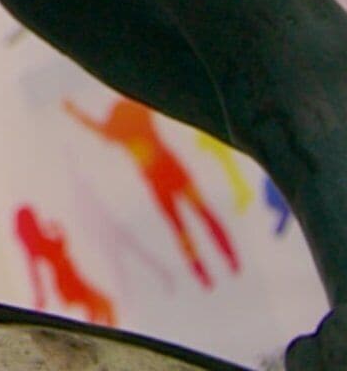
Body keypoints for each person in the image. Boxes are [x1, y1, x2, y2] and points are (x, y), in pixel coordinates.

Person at [64, 95, 240, 287]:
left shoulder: (119, 125)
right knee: (201, 214)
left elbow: (97, 128)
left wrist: (75, 112)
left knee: (181, 226)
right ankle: (225, 257)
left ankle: (203, 271)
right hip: (171, 169)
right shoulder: (137, 114)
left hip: (159, 178)